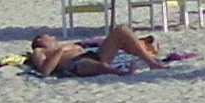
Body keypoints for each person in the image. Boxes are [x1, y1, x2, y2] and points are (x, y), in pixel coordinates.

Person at [27, 25, 174, 78]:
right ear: (40, 40)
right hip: (74, 64)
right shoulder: (40, 51)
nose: (53, 37)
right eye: (48, 36)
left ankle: (151, 63)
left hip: (94, 54)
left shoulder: (66, 45)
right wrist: (60, 50)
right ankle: (120, 73)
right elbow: (45, 71)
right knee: (87, 63)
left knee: (121, 30)